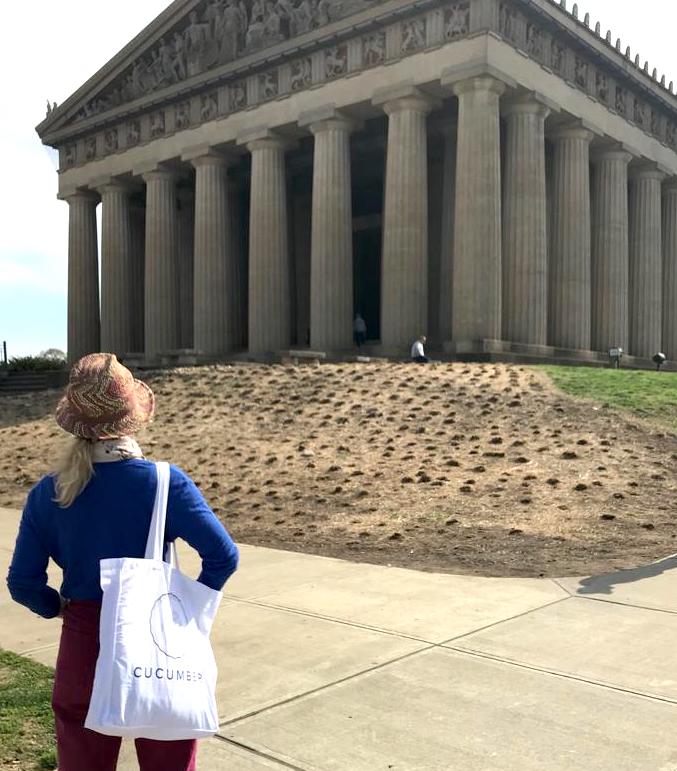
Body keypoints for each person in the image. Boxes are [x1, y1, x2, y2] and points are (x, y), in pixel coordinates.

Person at [6, 353, 239, 771]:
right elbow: (223, 556)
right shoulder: (166, 484)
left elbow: (23, 581)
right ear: (132, 418)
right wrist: (188, 611)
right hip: (156, 640)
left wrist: (55, 606)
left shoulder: (50, 492)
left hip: (83, 643)